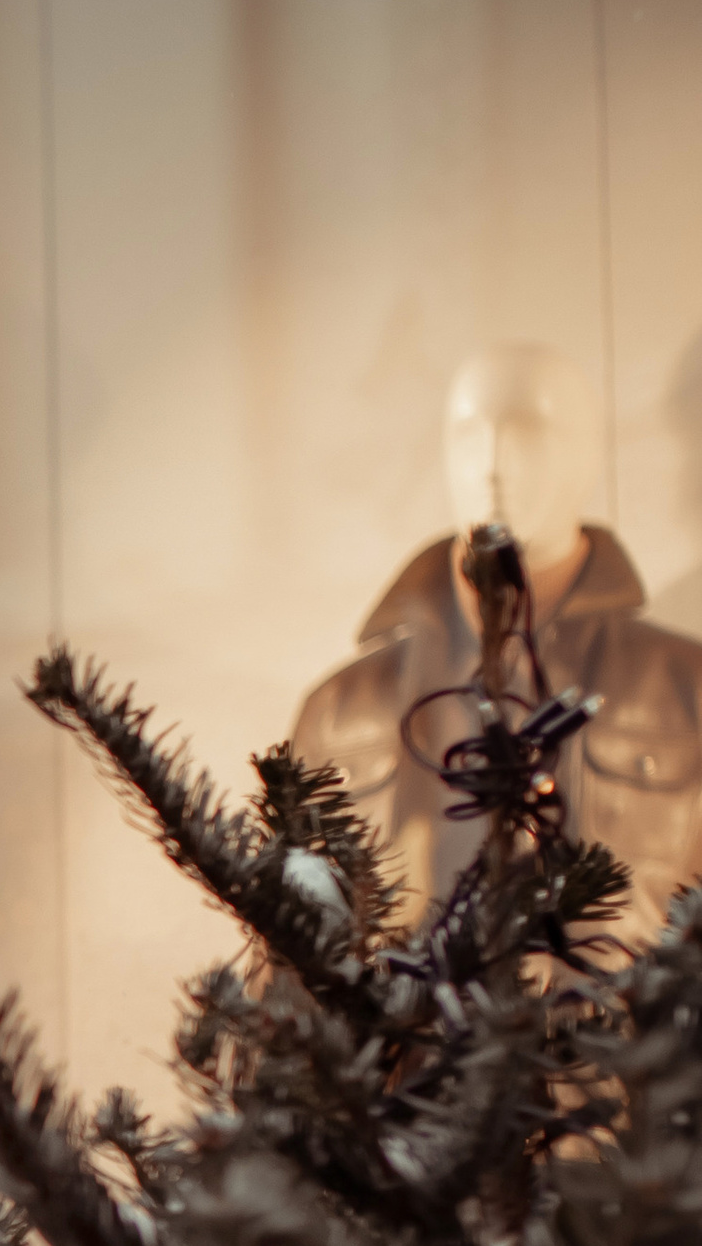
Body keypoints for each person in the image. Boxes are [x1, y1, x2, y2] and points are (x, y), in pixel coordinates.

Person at [292, 343, 702, 937]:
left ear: (588, 455)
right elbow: (289, 969)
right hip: (409, 1029)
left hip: (620, 1028)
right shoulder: (340, 713)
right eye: (467, 433)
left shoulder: (686, 693)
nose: (492, 460)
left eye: (529, 432)